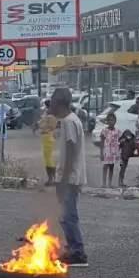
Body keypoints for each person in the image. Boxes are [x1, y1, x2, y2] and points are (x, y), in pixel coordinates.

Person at [51, 88, 88, 266]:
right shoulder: (70, 120)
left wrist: (64, 178)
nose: (50, 104)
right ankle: (73, 249)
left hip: (69, 178)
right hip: (70, 176)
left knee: (68, 216)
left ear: (58, 102)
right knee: (67, 215)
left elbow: (72, 149)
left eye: (51, 100)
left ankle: (78, 252)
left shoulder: (69, 122)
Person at [35, 100, 58, 185]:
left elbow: (45, 125)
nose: (45, 109)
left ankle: (53, 178)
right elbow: (41, 122)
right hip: (45, 137)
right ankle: (51, 178)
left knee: (48, 159)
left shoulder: (51, 117)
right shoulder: (47, 115)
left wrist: (39, 125)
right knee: (46, 159)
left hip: (48, 137)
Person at [98, 112, 121, 188]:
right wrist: (101, 153)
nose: (111, 122)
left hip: (114, 153)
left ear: (115, 121)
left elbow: (120, 141)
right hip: (107, 152)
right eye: (110, 120)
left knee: (111, 167)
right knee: (105, 167)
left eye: (113, 120)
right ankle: (104, 183)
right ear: (107, 121)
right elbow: (101, 143)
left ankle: (109, 183)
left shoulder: (117, 131)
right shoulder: (104, 131)